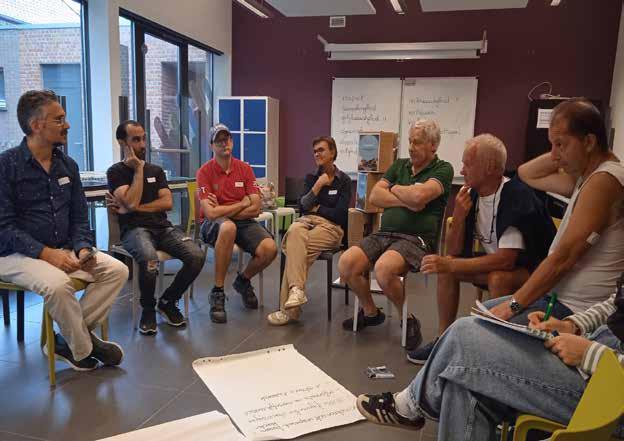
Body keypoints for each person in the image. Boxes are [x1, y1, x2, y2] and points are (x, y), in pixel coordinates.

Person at [354, 289, 624, 441]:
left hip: (611, 385)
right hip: (599, 351)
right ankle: (410, 405)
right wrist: (573, 324)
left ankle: (411, 405)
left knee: (464, 336)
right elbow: (616, 303)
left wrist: (591, 354)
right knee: (463, 383)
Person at [0, 90, 128, 370]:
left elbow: (79, 217)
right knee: (58, 285)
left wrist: (82, 247)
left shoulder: (67, 165)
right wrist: (46, 253)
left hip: (63, 249)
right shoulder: (6, 165)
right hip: (13, 254)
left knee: (117, 270)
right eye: (59, 119)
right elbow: (3, 228)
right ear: (36, 125)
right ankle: (82, 348)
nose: (67, 125)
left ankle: (65, 341)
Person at [409, 134, 556, 364]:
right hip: (498, 263)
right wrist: (458, 216)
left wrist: (451, 263)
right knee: (447, 270)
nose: (462, 170)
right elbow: (454, 251)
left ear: (489, 167)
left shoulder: (516, 195)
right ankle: (443, 340)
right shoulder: (473, 194)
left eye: (467, 164)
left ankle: (495, 347)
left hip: (533, 273)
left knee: (497, 277)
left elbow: (506, 260)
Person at [485, 98, 624, 324]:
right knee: (476, 319)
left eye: (560, 144)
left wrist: (513, 305)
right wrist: (561, 150)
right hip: (558, 298)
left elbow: (564, 258)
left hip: (575, 310)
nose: (553, 155)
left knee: (472, 328)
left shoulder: (604, 181)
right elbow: (526, 173)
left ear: (589, 141)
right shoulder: (585, 177)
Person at [338, 119, 453, 350]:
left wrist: (394, 188)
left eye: (417, 142)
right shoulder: (399, 165)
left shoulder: (443, 169)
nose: (410, 147)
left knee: (384, 270)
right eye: (409, 141)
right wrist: (408, 199)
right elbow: (374, 197)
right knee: (346, 263)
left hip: (416, 239)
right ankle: (371, 312)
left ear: (433, 145)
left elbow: (420, 197)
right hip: (384, 234)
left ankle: (406, 318)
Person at [106, 120, 205, 335]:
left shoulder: (157, 171)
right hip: (134, 230)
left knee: (196, 255)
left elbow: (166, 203)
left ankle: (168, 301)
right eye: (136, 140)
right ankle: (148, 309)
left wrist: (133, 208)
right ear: (122, 143)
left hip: (163, 228)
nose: (143, 144)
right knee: (149, 259)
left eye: (143, 138)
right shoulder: (115, 172)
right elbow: (130, 201)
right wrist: (138, 171)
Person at [196, 124, 277, 323]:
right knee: (228, 227)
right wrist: (241, 203)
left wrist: (224, 208)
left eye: (227, 139)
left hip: (243, 223)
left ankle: (243, 280)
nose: (224, 143)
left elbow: (256, 208)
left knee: (270, 248)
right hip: (212, 224)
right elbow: (211, 213)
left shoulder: (245, 169)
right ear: (211, 145)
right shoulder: (204, 172)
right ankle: (217, 292)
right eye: (219, 141)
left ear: (232, 141)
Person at [267, 136, 351, 325]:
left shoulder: (344, 181)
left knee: (294, 249)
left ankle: (288, 311)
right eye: (314, 151)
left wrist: (318, 208)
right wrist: (318, 185)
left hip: (331, 228)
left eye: (321, 150)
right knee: (295, 230)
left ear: (332, 152)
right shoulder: (311, 178)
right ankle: (296, 292)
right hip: (306, 222)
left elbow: (340, 215)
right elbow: (303, 206)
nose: (317, 154)